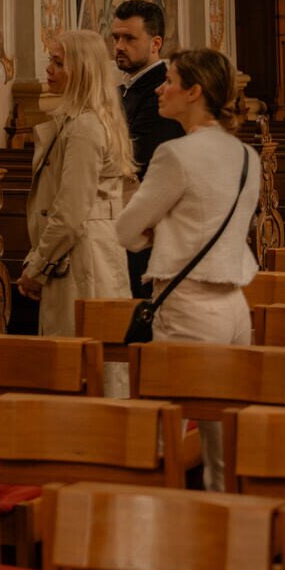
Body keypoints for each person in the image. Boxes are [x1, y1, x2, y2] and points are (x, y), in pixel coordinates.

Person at [113, 48, 260, 490]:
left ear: (194, 92)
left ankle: (158, 523)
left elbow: (126, 229)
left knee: (164, 439)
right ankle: (229, 519)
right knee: (225, 443)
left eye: (170, 80)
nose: (161, 88)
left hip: (188, 305)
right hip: (235, 307)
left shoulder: (175, 154)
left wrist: (157, 231)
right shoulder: (246, 155)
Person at [17, 31, 134, 366]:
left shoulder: (85, 126)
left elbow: (70, 212)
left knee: (82, 363)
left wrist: (36, 267)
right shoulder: (84, 119)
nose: (49, 70)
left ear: (82, 70)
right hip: (82, 250)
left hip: (82, 257)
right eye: (50, 61)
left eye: (58, 63)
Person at [110, 0, 182, 296]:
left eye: (129, 38)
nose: (119, 46)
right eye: (116, 37)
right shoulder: (122, 90)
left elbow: (136, 156)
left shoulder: (161, 94)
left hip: (149, 223)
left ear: (155, 43)